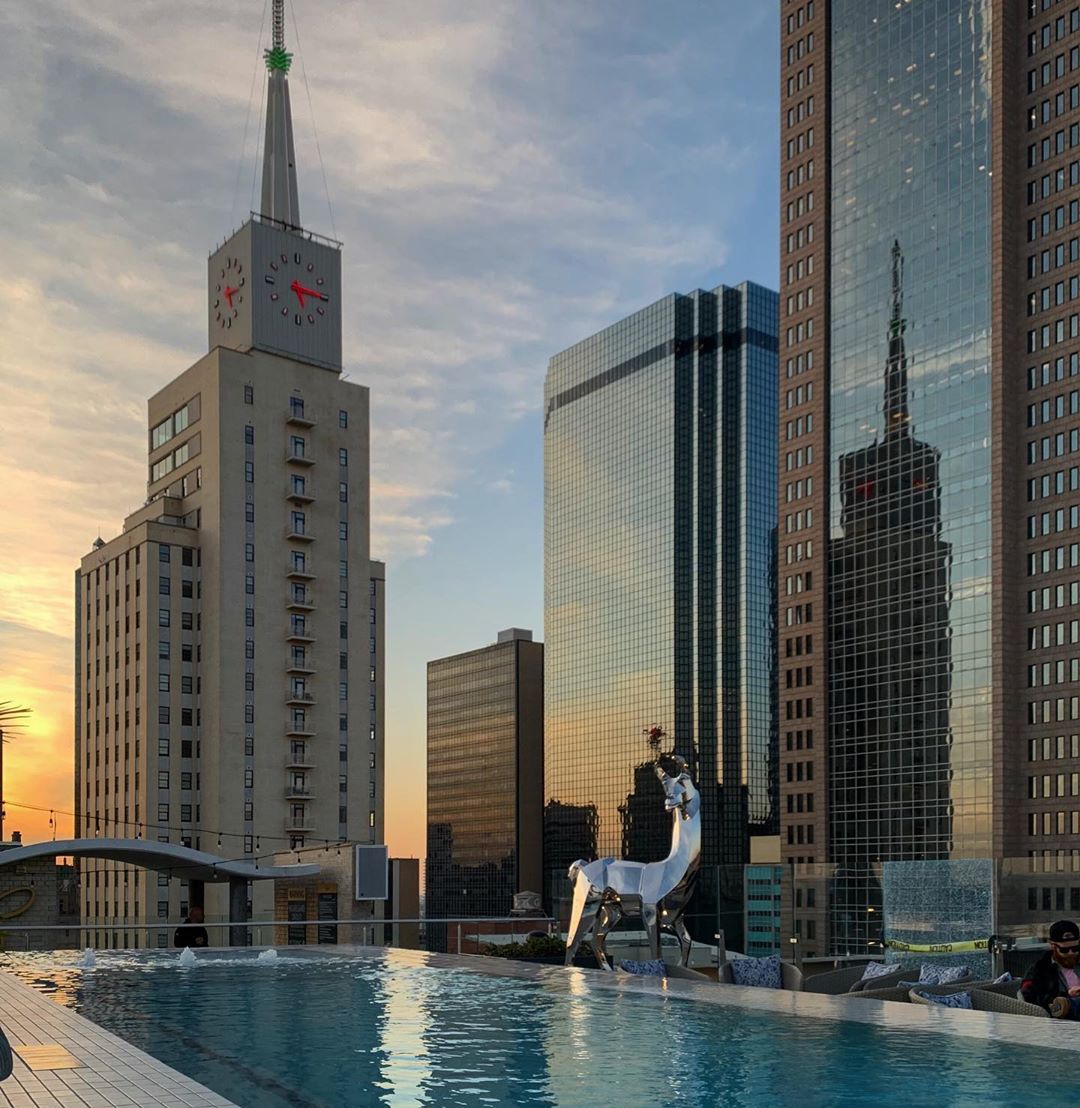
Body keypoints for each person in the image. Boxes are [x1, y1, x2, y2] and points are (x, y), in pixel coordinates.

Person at [1020, 919, 1080, 1018]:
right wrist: (1067, 994)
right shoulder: (1039, 969)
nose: (1071, 953)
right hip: (1062, 1017)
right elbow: (1029, 997)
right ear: (1052, 946)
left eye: (1075, 949)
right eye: (1064, 950)